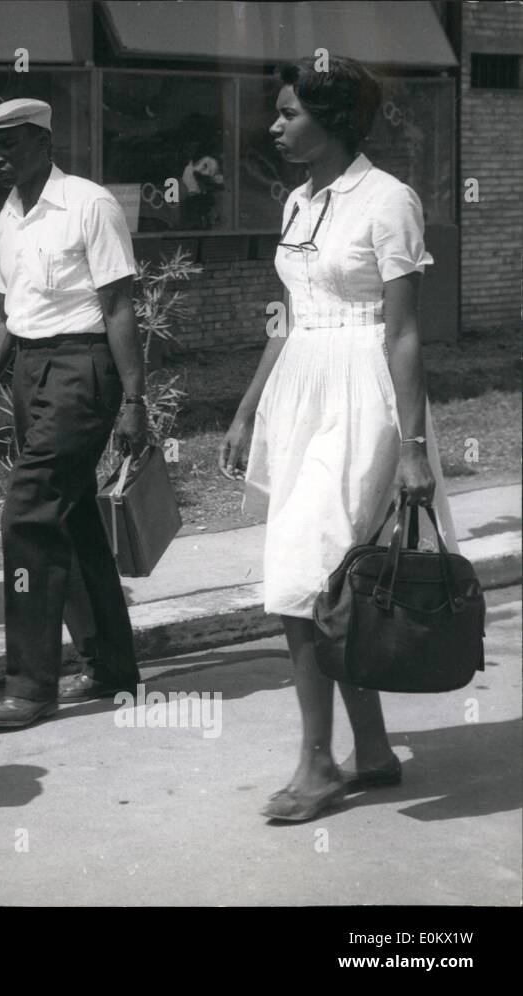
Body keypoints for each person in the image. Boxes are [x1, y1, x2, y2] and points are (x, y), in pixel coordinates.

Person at [219, 56, 458, 822]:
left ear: (335, 120)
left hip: (365, 396)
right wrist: (247, 407)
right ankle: (376, 749)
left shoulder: (389, 201)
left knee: (305, 576)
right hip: (300, 391)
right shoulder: (296, 202)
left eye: (290, 114)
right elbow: (287, 316)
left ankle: (318, 764)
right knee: (336, 580)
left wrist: (415, 446)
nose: (276, 126)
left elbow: (406, 331)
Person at [0, 99, 147, 729]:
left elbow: (118, 306)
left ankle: (31, 687)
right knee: (73, 518)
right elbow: (4, 319)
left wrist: (135, 402)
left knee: (27, 515)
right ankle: (112, 666)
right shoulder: (9, 217)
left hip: (84, 369)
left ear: (44, 143)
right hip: (30, 371)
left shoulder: (90, 204)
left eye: (12, 144)